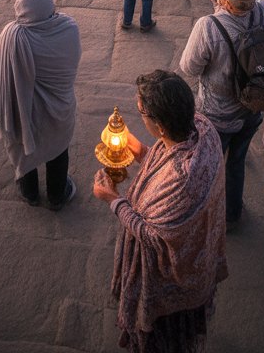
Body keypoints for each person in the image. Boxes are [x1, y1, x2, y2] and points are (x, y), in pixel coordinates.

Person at [93, 70, 227, 353]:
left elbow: (154, 235)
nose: (139, 115)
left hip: (173, 279)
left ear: (162, 126)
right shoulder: (204, 128)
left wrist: (113, 199)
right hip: (201, 255)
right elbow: (166, 155)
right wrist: (140, 149)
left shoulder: (181, 182)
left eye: (141, 111)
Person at [178, 0, 264, 229]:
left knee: (207, 165)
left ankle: (199, 214)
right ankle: (232, 213)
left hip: (217, 114)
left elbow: (189, 67)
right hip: (254, 108)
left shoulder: (209, 26)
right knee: (236, 161)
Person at [0, 0, 81, 210]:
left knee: (23, 138)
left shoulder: (11, 36)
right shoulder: (69, 28)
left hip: (24, 110)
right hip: (59, 110)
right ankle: (57, 194)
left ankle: (29, 191)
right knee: (58, 149)